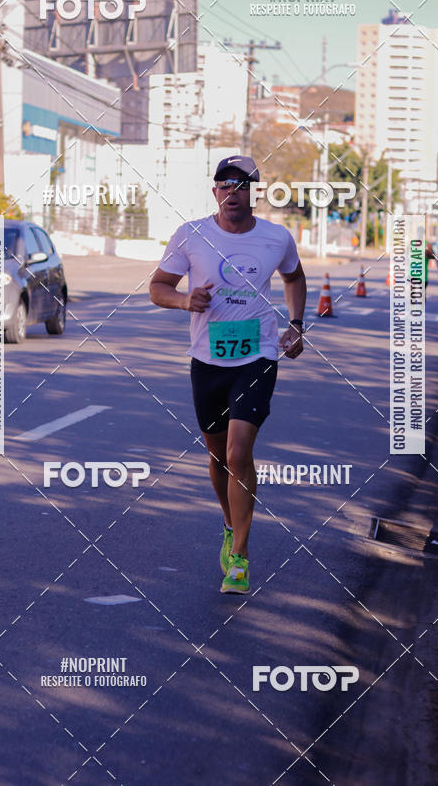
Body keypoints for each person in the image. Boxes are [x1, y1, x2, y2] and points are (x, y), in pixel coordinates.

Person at [149, 155, 306, 595]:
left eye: (242, 184)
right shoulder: (192, 235)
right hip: (208, 359)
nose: (232, 191)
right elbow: (157, 287)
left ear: (255, 192)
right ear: (214, 190)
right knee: (217, 458)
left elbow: (295, 278)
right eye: (224, 183)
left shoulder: (277, 238)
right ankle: (228, 519)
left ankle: (239, 556)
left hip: (257, 356)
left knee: (239, 454)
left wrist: (296, 325)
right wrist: (186, 301)